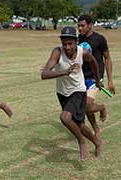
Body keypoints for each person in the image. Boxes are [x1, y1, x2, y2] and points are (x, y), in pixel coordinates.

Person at [41, 26, 102, 160]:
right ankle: (97, 142)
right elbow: (44, 74)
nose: (67, 47)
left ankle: (81, 142)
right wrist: (65, 72)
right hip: (62, 93)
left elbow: (94, 63)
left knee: (65, 118)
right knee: (78, 124)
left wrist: (97, 80)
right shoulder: (57, 52)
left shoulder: (83, 52)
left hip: (78, 91)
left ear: (76, 41)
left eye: (70, 43)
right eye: (64, 43)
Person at [78, 15, 115, 136]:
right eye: (78, 25)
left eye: (82, 25)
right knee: (85, 106)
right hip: (81, 77)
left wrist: (110, 81)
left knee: (87, 105)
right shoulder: (79, 39)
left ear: (90, 25)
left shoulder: (99, 39)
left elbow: (107, 58)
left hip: (95, 76)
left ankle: (102, 107)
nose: (80, 28)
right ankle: (96, 128)